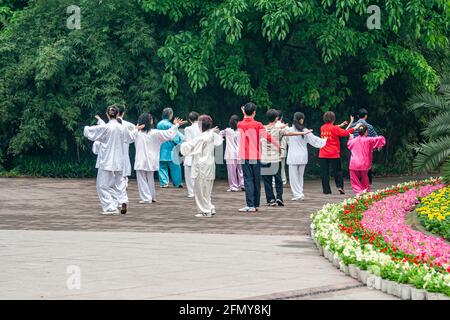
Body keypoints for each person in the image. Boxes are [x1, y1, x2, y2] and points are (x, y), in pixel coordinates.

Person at [84, 105, 136, 215]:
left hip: (107, 160)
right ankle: (122, 200)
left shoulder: (105, 128)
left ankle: (110, 207)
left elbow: (90, 132)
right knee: (120, 182)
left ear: (108, 115)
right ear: (118, 114)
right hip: (120, 160)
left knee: (102, 185)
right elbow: (130, 138)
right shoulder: (123, 128)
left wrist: (86, 128)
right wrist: (136, 131)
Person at [260, 109, 311, 206]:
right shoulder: (278, 130)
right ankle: (279, 197)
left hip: (264, 158)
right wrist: (302, 133)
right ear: (276, 118)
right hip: (275, 159)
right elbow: (290, 133)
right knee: (278, 179)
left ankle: (270, 199)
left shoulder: (262, 129)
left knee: (267, 181)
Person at [134, 113, 187, 203]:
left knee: (142, 179)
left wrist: (135, 129)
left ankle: (146, 198)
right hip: (151, 159)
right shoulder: (155, 133)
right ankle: (151, 196)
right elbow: (169, 134)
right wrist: (176, 125)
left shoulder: (137, 133)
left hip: (141, 159)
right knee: (149, 178)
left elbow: (127, 136)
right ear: (150, 122)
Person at [237, 102, 279, 213]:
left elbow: (245, 120)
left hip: (244, 156)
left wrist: (244, 113)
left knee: (248, 180)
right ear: (254, 112)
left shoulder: (240, 124)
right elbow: (267, 137)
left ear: (245, 112)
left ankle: (250, 205)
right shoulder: (258, 125)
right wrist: (278, 145)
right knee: (256, 180)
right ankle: (255, 205)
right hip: (255, 156)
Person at [180, 115, 223, 218]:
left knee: (200, 190)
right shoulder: (211, 135)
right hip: (210, 164)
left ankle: (205, 211)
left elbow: (188, 147)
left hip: (201, 165)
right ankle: (210, 207)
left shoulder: (201, 138)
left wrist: (182, 144)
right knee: (207, 189)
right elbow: (219, 140)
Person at [286, 112, 327, 201]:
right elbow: (314, 140)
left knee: (294, 177)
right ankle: (300, 193)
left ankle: (297, 194)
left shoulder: (289, 130)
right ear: (301, 119)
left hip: (293, 156)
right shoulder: (305, 130)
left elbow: (285, 140)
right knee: (300, 176)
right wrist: (324, 141)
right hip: (303, 156)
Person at [319, 111, 359, 195]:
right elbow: (345, 133)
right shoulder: (335, 128)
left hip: (323, 154)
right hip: (333, 153)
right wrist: (356, 127)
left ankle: (326, 190)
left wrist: (340, 125)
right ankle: (340, 186)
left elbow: (331, 129)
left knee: (324, 173)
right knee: (337, 171)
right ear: (333, 119)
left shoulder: (322, 128)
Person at [347, 125, 386, 194]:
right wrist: (380, 139)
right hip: (364, 164)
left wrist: (351, 138)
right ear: (366, 132)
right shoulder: (369, 140)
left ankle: (359, 192)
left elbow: (349, 145)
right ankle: (366, 191)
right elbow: (380, 139)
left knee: (355, 181)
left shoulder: (353, 141)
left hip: (354, 164)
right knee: (365, 179)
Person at [157, 107, 185, 188]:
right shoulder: (170, 125)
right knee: (175, 166)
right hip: (170, 148)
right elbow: (176, 135)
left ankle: (164, 183)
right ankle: (177, 183)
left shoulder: (159, 124)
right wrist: (182, 141)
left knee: (162, 166)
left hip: (161, 147)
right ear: (170, 115)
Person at [351, 108, 378, 184]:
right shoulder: (369, 126)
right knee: (367, 164)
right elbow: (375, 138)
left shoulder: (353, 126)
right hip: (367, 150)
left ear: (358, 116)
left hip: (356, 150)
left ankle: (357, 180)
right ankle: (368, 181)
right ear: (366, 116)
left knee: (356, 164)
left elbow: (349, 135)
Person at [220, 115, 244, 192]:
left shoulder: (227, 130)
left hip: (230, 154)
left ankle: (234, 186)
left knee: (232, 172)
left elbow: (220, 135)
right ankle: (243, 184)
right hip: (240, 153)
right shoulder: (241, 130)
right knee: (241, 171)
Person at [183, 111, 201, 198]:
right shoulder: (202, 127)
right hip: (200, 153)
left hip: (190, 153)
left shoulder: (187, 129)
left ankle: (191, 192)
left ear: (189, 120)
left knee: (189, 174)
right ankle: (198, 192)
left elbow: (187, 142)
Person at [276, 110, 288, 185]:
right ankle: (282, 180)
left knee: (274, 166)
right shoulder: (285, 127)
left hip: (273, 150)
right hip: (283, 148)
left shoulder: (271, 126)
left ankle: (274, 181)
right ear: (282, 117)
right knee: (282, 166)